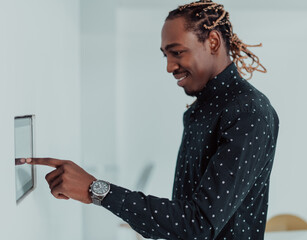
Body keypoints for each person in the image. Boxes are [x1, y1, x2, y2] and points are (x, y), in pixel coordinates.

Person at [24, 0, 279, 239]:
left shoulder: (249, 111)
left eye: (177, 52)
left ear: (213, 42)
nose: (169, 66)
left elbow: (198, 225)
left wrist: (96, 190)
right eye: (165, 55)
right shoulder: (201, 109)